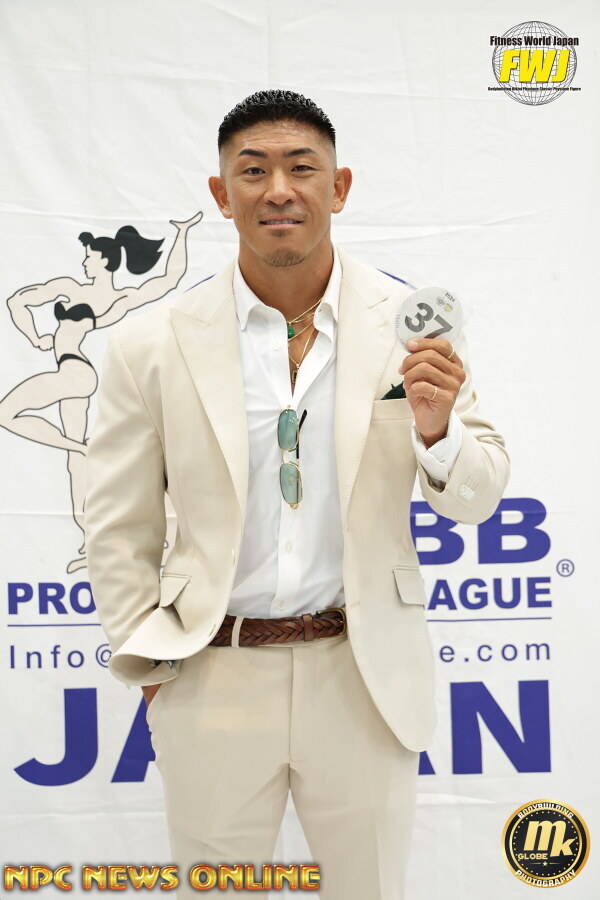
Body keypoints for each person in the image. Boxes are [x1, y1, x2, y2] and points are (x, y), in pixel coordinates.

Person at [84, 90, 509, 899]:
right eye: (253, 171)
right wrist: (153, 663)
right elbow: (116, 521)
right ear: (222, 196)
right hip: (212, 671)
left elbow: (476, 497)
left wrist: (437, 430)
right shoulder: (153, 343)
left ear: (338, 187)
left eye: (301, 168)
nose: (278, 189)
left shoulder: (412, 328)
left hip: (362, 673)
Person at [1, 212, 202, 571]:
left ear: (105, 261)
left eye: (89, 257)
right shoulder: (69, 286)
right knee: (73, 463)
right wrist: (36, 337)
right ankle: (89, 543)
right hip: (71, 374)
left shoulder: (118, 299)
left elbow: (169, 280)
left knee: (8, 413)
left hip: (77, 373)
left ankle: (83, 450)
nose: (84, 262)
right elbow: (17, 301)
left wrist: (182, 234)